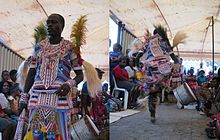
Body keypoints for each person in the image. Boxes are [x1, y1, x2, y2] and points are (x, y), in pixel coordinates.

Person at [16, 14, 84, 139]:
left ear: (62, 26)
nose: (50, 25)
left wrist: (69, 84)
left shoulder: (70, 48)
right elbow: (31, 73)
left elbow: (80, 75)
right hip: (37, 97)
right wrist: (24, 97)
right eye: (48, 23)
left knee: (60, 134)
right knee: (35, 134)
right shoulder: (38, 47)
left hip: (60, 97)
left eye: (54, 22)